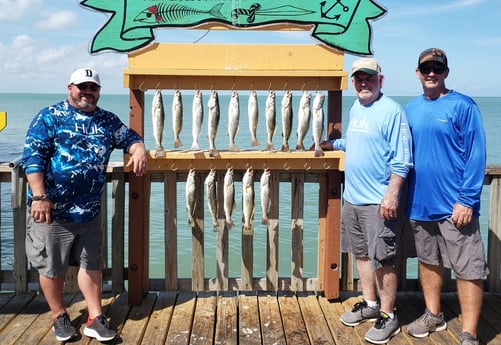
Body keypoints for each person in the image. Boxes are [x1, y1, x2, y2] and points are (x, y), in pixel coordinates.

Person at [22, 67, 148, 342]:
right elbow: (33, 158)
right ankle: (59, 316)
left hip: (89, 212)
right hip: (52, 212)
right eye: (83, 87)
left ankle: (95, 318)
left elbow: (129, 138)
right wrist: (40, 196)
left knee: (91, 265)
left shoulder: (106, 120)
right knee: (51, 267)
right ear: (70, 88)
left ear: (98, 92)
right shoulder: (49, 116)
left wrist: (138, 149)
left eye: (93, 88)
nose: (88, 92)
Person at [316, 57, 413, 344]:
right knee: (361, 256)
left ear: (380, 80)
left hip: (378, 202)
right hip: (353, 199)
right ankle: (370, 304)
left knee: (382, 259)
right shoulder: (357, 107)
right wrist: (333, 144)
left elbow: (402, 160)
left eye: (369, 78)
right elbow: (357, 142)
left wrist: (392, 194)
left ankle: (388, 315)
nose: (363, 83)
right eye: (359, 78)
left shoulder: (393, 111)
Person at [405, 48, 488, 345]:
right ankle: (433, 314)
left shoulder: (463, 106)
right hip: (418, 203)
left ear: (445, 73)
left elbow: (476, 155)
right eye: (426, 68)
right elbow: (390, 146)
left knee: (468, 269)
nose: (431, 74)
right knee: (428, 262)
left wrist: (467, 199)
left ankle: (469, 332)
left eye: (437, 69)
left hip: (455, 206)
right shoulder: (411, 109)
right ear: (417, 72)